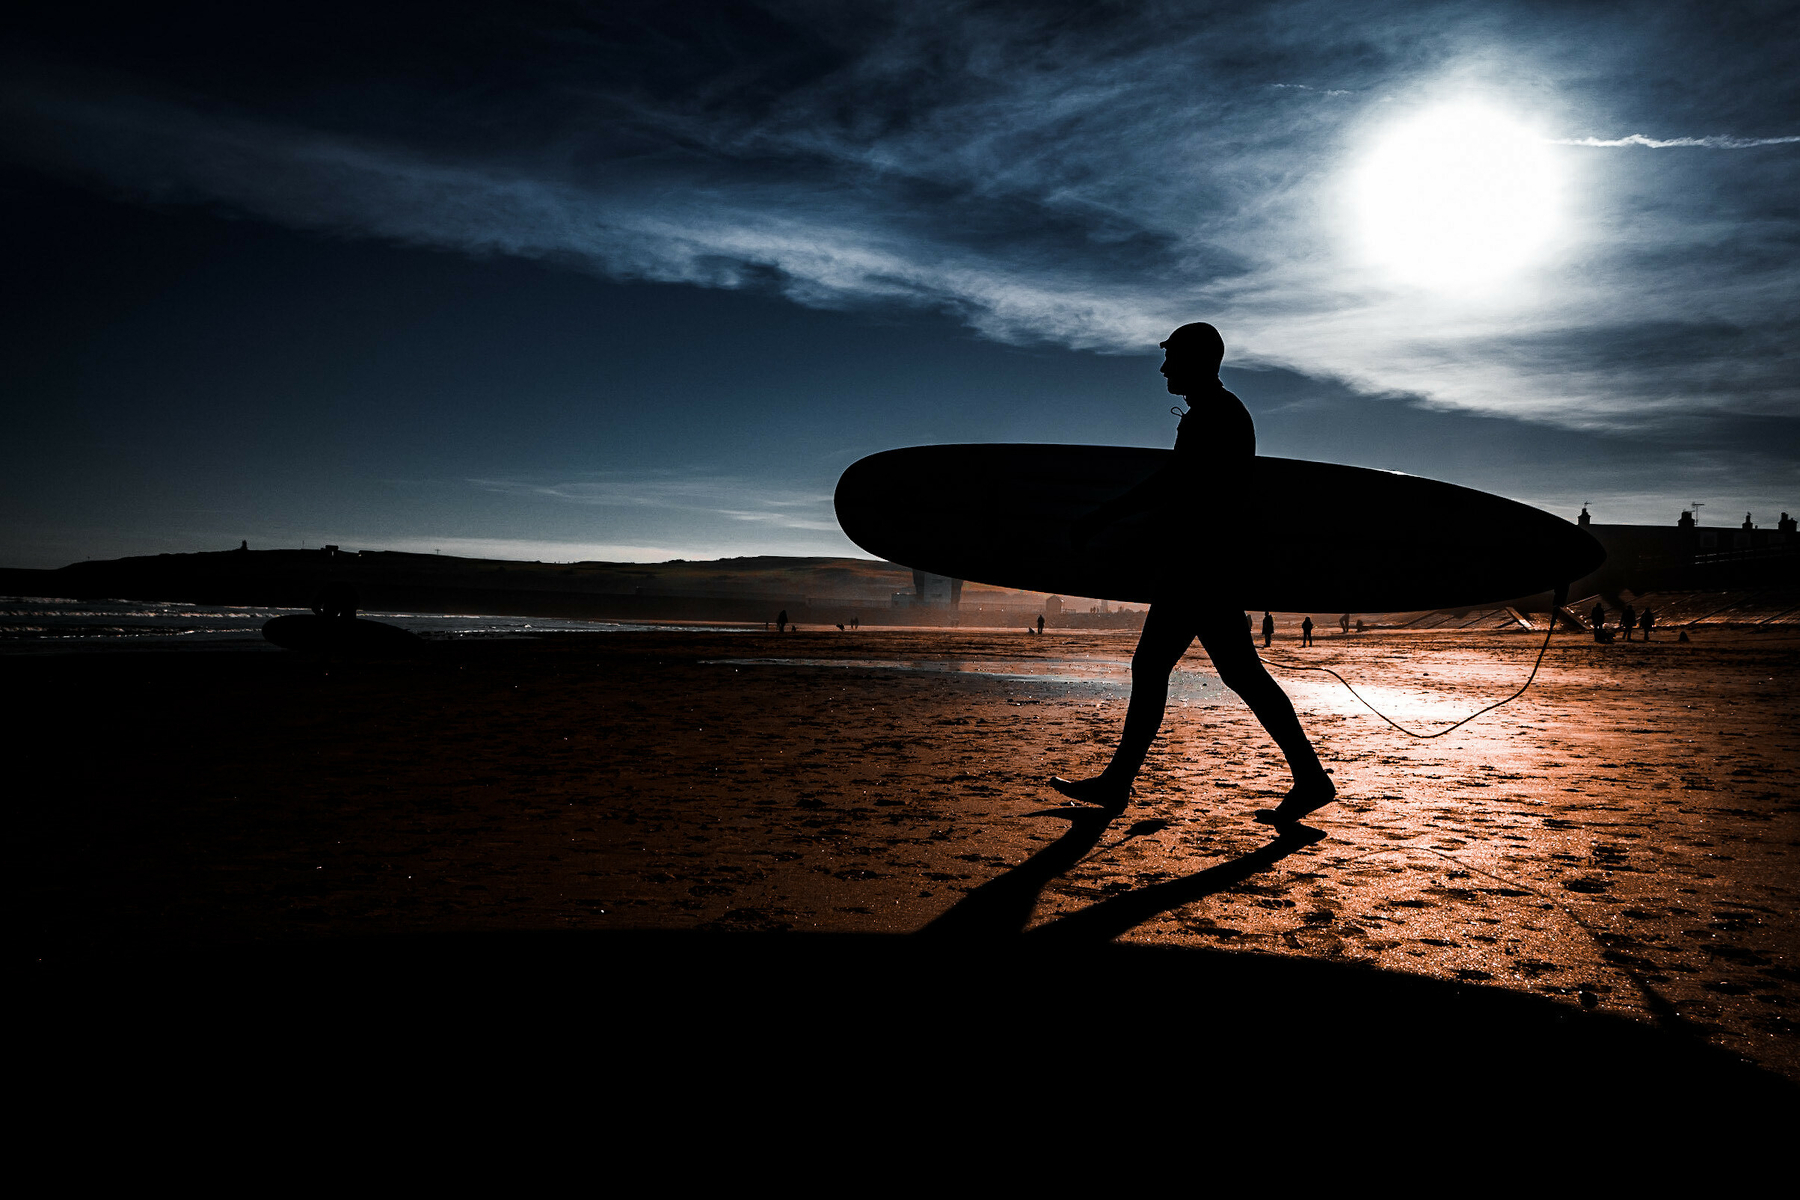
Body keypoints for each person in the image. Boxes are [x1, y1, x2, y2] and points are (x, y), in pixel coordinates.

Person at [1050, 322, 1334, 827]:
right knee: (1223, 672)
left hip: (1202, 569)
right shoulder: (1215, 413)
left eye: (1172, 358)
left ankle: (1121, 781)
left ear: (1198, 361)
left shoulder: (1217, 415)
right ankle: (1308, 776)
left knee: (1172, 667)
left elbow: (1175, 485)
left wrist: (1102, 516)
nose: (1163, 369)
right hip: (1205, 566)